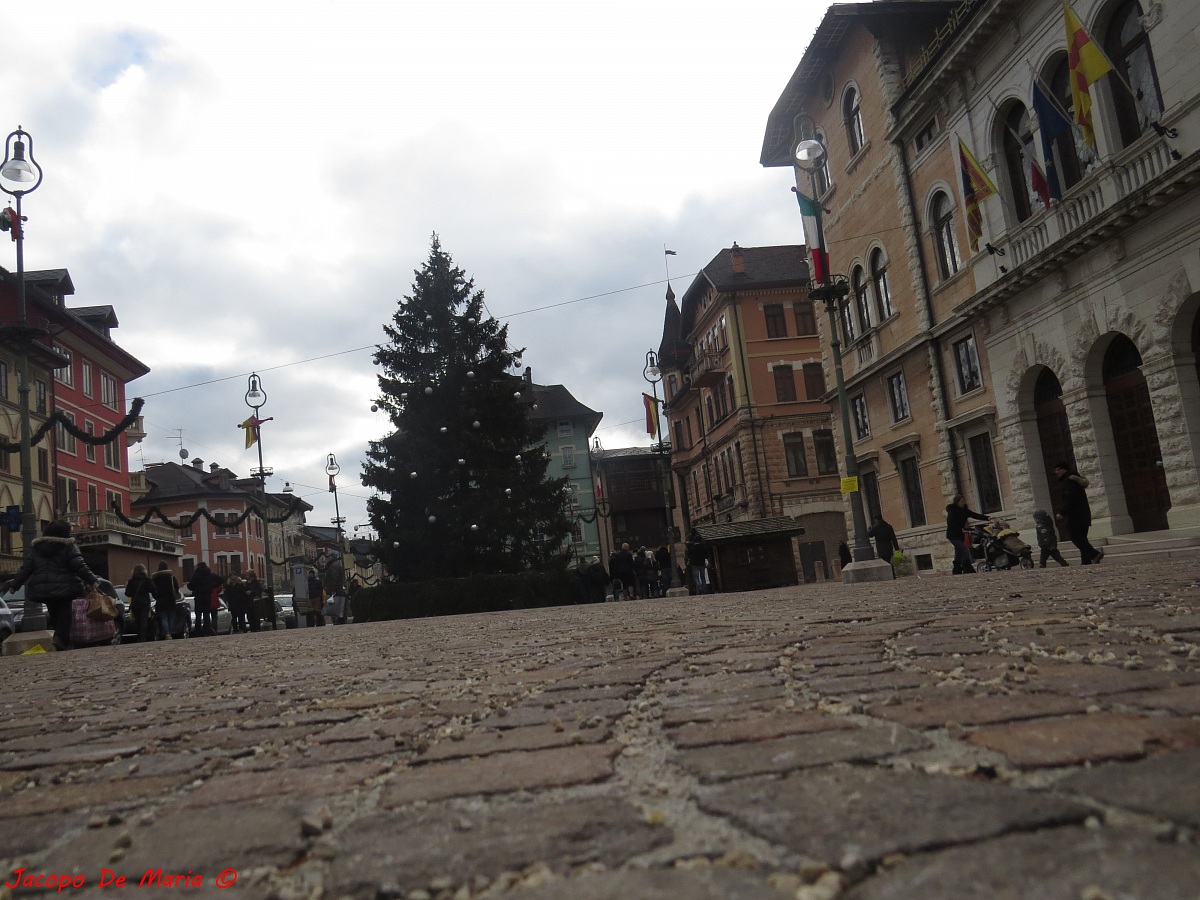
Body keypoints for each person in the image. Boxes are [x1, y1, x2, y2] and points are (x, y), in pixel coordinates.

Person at [5, 519, 100, 651]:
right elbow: (79, 566)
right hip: (66, 588)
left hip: (44, 590)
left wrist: (15, 585)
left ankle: (61, 641)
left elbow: (26, 568)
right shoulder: (68, 547)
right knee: (66, 615)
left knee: (55, 614)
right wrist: (92, 579)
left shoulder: (37, 549)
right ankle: (60, 640)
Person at [1053, 461, 1103, 565]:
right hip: (1083, 514)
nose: (1056, 472)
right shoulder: (1076, 480)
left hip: (1074, 515)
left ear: (1064, 469)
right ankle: (1086, 561)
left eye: (1058, 469)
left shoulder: (1068, 481)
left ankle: (1094, 554)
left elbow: (1069, 498)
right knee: (1082, 538)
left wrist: (1062, 512)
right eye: (1055, 470)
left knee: (1076, 538)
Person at [946, 494, 989, 574]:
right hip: (952, 534)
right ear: (957, 502)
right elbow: (950, 522)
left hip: (960, 534)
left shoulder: (964, 511)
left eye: (964, 501)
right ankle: (967, 568)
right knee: (964, 549)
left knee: (958, 552)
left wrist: (987, 518)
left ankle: (956, 570)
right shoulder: (953, 510)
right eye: (961, 501)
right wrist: (961, 527)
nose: (963, 502)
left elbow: (974, 515)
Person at [149, 561, 181, 640]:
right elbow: (176, 588)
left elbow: (153, 590)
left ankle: (167, 633)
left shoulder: (155, 578)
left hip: (160, 602)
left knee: (164, 618)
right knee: (170, 618)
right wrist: (174, 595)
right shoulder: (171, 577)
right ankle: (168, 632)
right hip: (171, 601)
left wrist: (157, 597)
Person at [187, 561, 219, 636]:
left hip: (198, 597)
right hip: (207, 596)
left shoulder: (196, 576)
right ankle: (206, 631)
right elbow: (220, 580)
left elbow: (189, 586)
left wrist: (195, 589)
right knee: (206, 614)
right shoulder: (210, 575)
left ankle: (198, 632)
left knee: (198, 615)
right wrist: (212, 586)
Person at [125, 564, 154, 642]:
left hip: (135, 603)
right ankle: (143, 637)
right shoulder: (147, 580)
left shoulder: (131, 581)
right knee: (144, 619)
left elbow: (128, 593)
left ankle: (139, 636)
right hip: (145, 602)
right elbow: (153, 589)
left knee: (137, 620)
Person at [685, 529, 713, 594]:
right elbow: (706, 554)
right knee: (703, 577)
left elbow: (689, 555)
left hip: (694, 564)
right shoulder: (703, 546)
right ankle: (705, 588)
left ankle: (700, 588)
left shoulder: (692, 547)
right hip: (702, 563)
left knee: (696, 577)